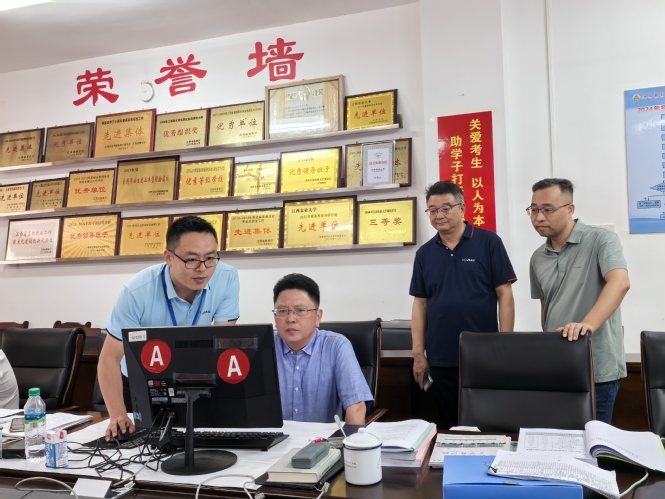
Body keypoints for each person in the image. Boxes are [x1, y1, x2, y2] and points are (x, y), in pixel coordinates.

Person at [99, 216, 240, 439]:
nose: (202, 269)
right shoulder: (137, 292)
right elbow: (109, 359)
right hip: (142, 383)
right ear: (169, 257)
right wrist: (118, 416)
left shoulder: (226, 278)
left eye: (210, 258)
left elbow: (221, 344)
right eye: (191, 259)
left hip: (194, 382)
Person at [410, 181, 516, 430]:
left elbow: (505, 294)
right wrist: (418, 354)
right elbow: (420, 304)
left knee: (485, 422)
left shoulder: (489, 242)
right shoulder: (424, 254)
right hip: (440, 356)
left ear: (462, 208)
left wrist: (505, 344)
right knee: (447, 425)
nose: (439, 215)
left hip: (484, 353)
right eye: (433, 210)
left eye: (446, 208)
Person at [529, 178, 630, 424]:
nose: (539, 217)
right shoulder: (537, 257)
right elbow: (546, 306)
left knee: (594, 442)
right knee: (558, 440)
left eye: (548, 209)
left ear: (570, 209)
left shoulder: (602, 240)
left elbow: (620, 282)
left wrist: (586, 325)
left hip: (597, 368)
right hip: (557, 367)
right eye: (534, 210)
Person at [272, 273, 373, 425]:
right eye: (282, 311)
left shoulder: (337, 346)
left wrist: (351, 439)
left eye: (300, 311)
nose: (290, 319)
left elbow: (356, 407)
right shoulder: (264, 348)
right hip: (273, 439)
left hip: (323, 439)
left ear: (318, 317)